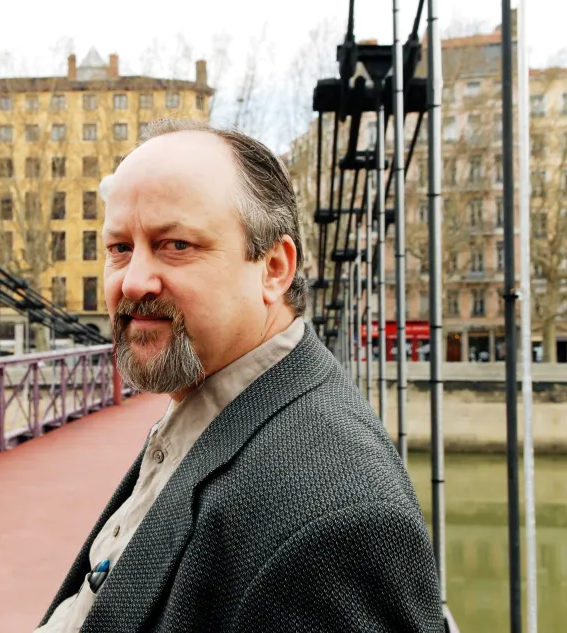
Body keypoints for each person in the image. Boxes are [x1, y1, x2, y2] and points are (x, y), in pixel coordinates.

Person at [35, 118, 442, 632]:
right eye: (120, 248)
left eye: (175, 245)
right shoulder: (211, 404)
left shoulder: (335, 518)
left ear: (274, 268)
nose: (133, 281)